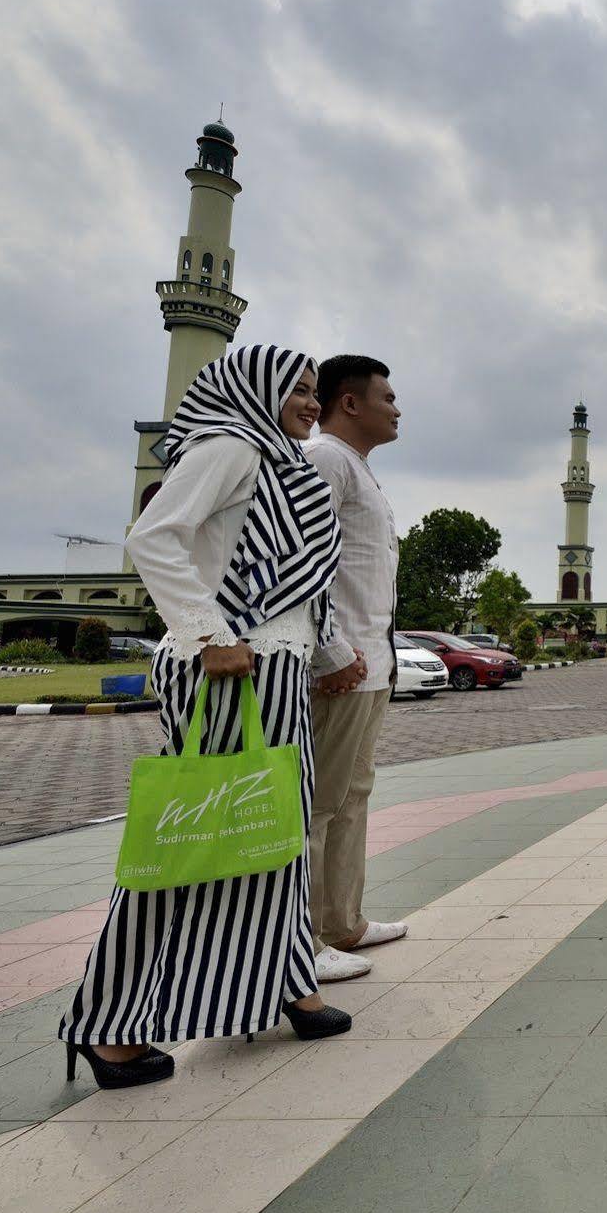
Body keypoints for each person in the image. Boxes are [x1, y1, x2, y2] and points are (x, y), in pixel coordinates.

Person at [60, 345, 350, 1091]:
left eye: (315, 391)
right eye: (298, 388)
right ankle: (112, 1027)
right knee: (190, 841)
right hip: (228, 670)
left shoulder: (280, 464)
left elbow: (295, 585)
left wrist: (328, 654)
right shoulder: (228, 445)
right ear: (255, 387)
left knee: (276, 833)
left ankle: (285, 981)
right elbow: (152, 537)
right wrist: (209, 633)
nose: (310, 403)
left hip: (273, 670)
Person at [304, 355, 408, 983]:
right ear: (350, 402)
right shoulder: (325, 461)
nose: (397, 409)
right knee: (319, 803)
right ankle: (304, 940)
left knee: (352, 797)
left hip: (372, 665)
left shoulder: (358, 469)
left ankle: (342, 921)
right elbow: (304, 562)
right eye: (388, 397)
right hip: (341, 666)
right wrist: (331, 650)